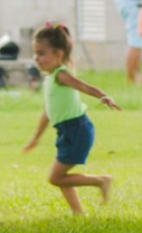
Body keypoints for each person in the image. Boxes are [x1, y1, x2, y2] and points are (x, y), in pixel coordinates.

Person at [23, 24, 119, 215]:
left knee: (56, 178)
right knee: (61, 177)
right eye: (35, 53)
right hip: (68, 131)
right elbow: (47, 112)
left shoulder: (61, 75)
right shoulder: (50, 79)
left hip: (77, 130)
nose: (36, 58)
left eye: (42, 53)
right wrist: (35, 138)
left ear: (58, 54)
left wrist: (102, 95)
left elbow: (82, 86)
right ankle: (78, 213)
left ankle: (101, 181)